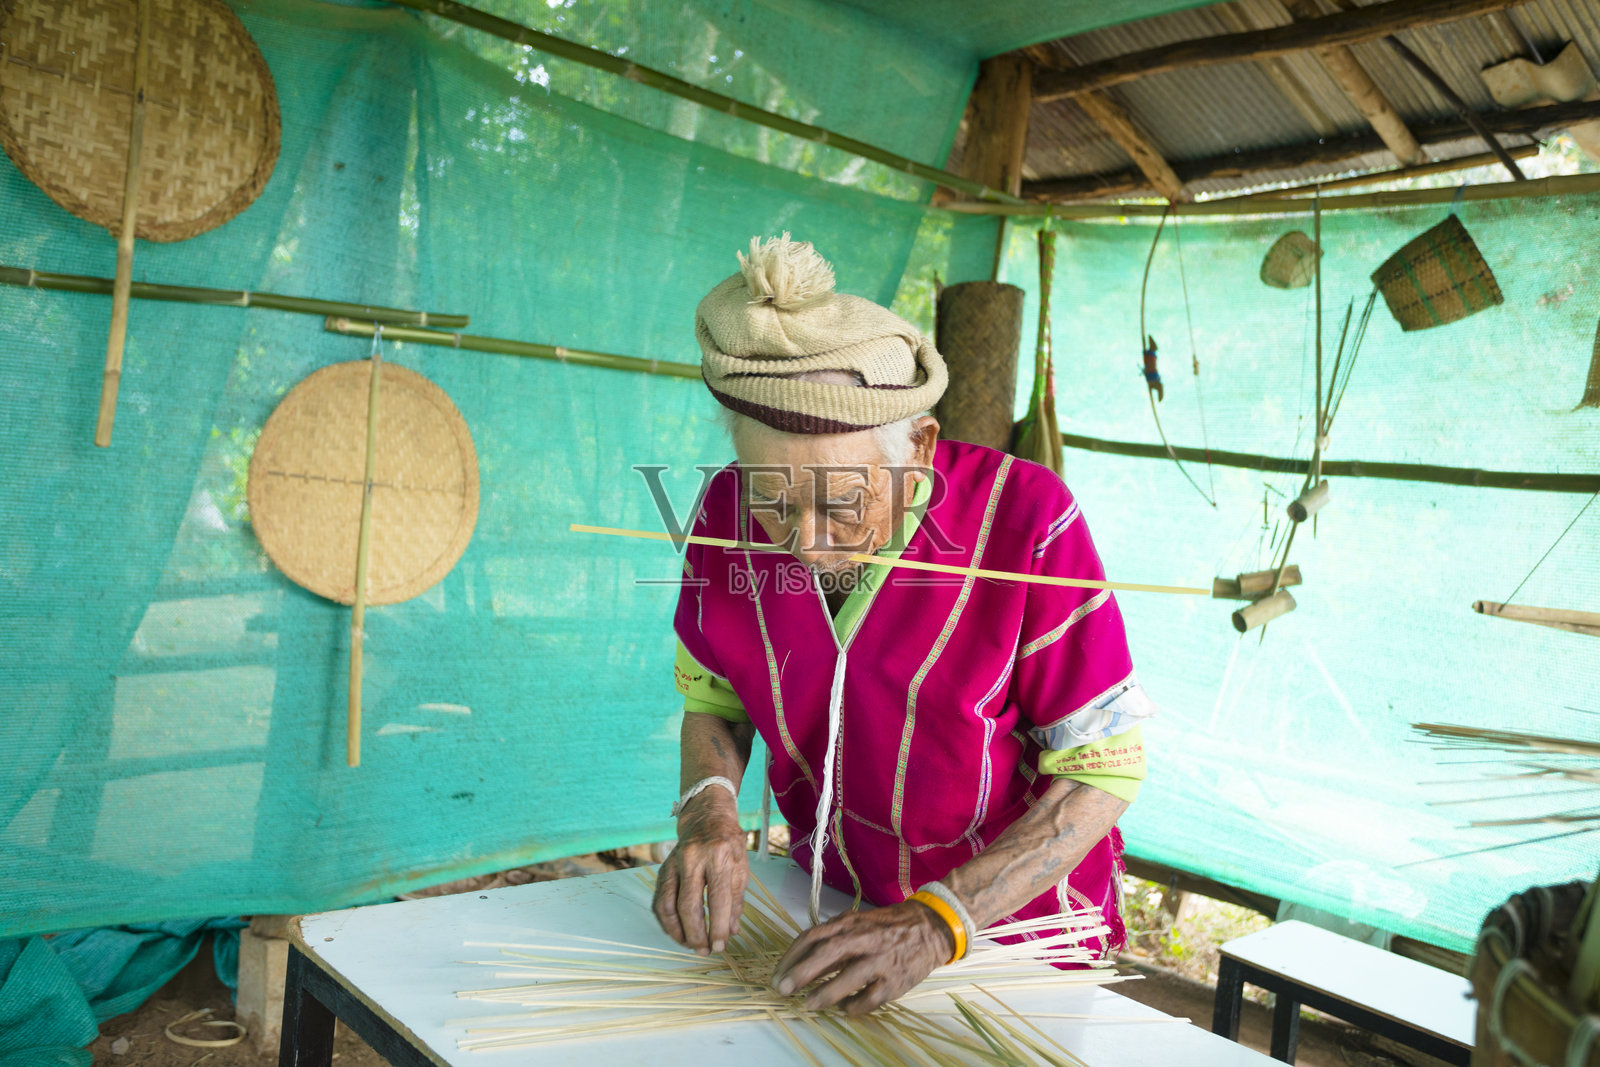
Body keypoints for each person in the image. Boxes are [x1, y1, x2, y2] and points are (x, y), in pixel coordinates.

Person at [652, 234, 1156, 1016]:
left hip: (1011, 939)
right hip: (837, 906)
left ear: (917, 447)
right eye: (773, 501)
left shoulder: (1028, 523)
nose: (806, 544)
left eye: (842, 502)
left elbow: (1103, 770)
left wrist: (937, 921)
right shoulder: (723, 516)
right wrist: (710, 811)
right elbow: (716, 695)